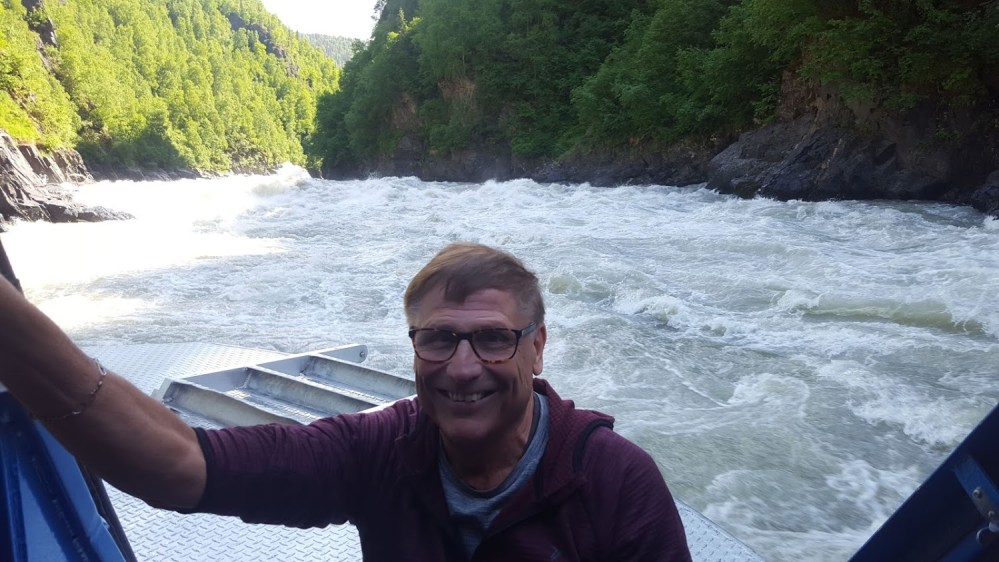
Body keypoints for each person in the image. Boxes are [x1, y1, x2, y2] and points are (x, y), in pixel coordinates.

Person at [0, 242, 691, 561]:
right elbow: (178, 466)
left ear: (537, 348)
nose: (462, 367)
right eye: (438, 340)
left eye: (492, 340)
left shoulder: (613, 482)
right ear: (412, 345)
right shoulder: (382, 450)